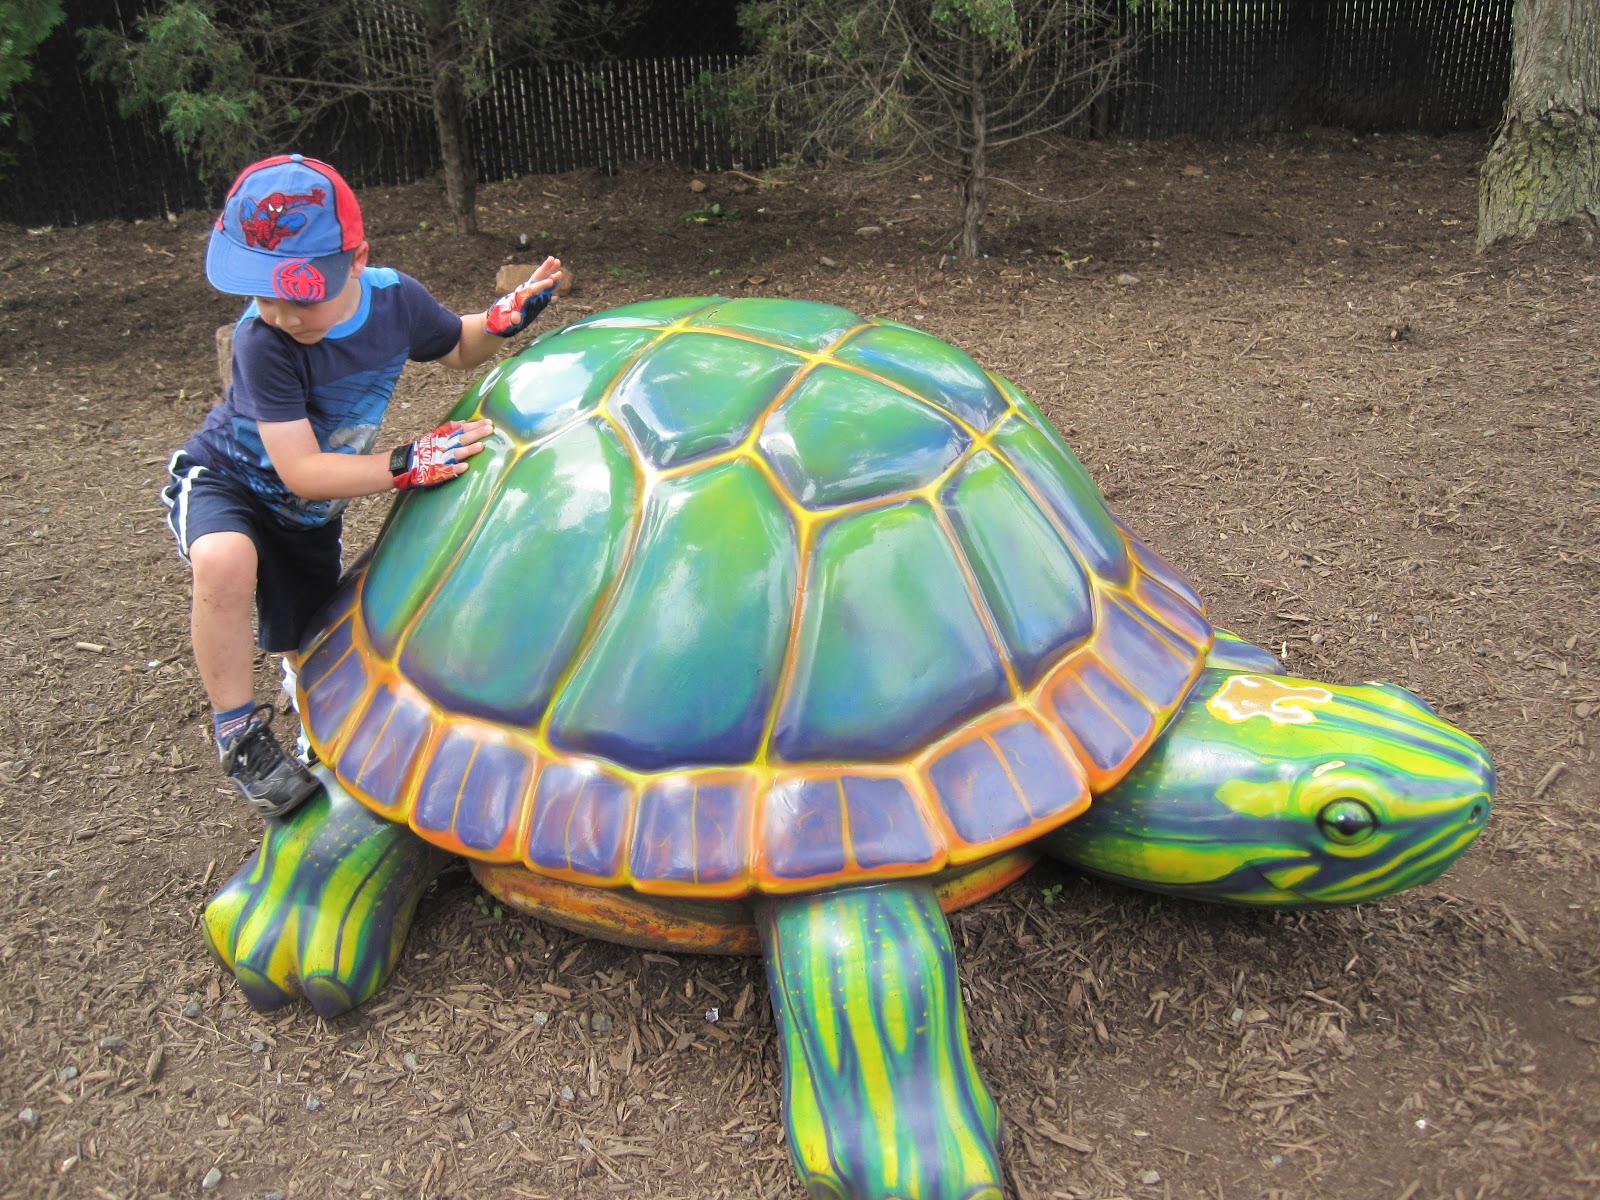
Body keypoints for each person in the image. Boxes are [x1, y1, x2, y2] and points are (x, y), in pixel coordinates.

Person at [161, 153, 563, 820]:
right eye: (266, 295)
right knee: (225, 560)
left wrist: (499, 322)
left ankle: (319, 743)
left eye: (302, 292)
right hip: (231, 480)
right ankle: (237, 732)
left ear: (357, 259)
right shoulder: (264, 342)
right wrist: (408, 462)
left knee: (309, 643)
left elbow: (455, 344)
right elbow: (301, 468)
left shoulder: (395, 301)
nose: (285, 314)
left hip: (306, 517)